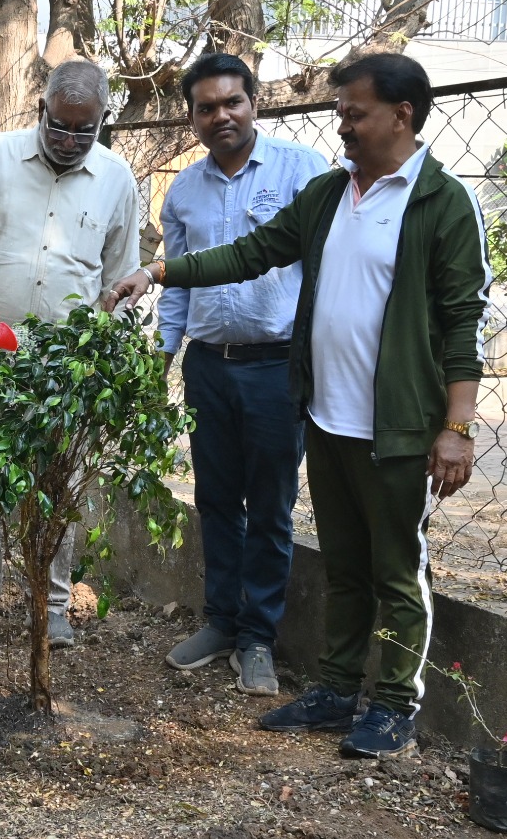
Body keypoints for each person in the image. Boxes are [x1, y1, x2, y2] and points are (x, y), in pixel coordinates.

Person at [106, 53, 490, 759]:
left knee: (398, 570)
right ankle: (339, 691)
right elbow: (252, 253)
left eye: (354, 112)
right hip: (327, 414)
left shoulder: (439, 200)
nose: (341, 124)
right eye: (340, 111)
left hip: (399, 428)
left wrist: (457, 428)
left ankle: (396, 704)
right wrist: (158, 271)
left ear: (401, 115)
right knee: (344, 564)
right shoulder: (330, 193)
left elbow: (465, 321)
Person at [0, 58, 140, 655]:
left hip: (69, 364)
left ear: (104, 120)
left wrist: (107, 356)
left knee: (61, 485)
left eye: (86, 129)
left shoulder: (117, 179)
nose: (71, 140)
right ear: (41, 110)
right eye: (61, 125)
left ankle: (51, 604)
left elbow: (121, 277)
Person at [157, 53, 329, 697]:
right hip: (209, 367)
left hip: (276, 368)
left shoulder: (302, 171)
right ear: (193, 117)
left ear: (255, 101)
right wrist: (163, 354)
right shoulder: (183, 190)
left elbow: (325, 264)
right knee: (216, 500)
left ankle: (259, 636)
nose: (221, 116)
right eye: (207, 108)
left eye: (233, 102)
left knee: (273, 508)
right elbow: (175, 283)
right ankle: (220, 622)